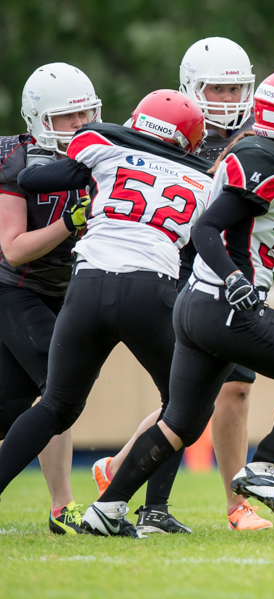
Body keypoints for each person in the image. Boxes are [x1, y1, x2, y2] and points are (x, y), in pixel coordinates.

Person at [80, 67, 274, 538]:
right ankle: (264, 468)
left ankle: (106, 509)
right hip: (226, 307)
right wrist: (235, 279)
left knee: (180, 423)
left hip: (200, 304)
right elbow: (206, 229)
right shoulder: (266, 161)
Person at [0, 89, 211, 535]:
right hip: (149, 292)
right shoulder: (204, 178)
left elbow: (33, 180)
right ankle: (125, 507)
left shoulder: (107, 148)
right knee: (183, 404)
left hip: (87, 285)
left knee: (55, 405)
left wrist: (102, 154)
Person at [91, 37, 273, 532]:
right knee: (195, 395)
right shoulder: (167, 127)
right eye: (217, 88)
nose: (229, 99)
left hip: (231, 275)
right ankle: (211, 505)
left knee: (228, 390)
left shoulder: (258, 136)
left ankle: (129, 475)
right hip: (179, 273)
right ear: (191, 87)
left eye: (236, 88)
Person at [0, 63, 101, 534]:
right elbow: (14, 250)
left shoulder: (103, 156)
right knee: (60, 387)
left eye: (86, 113)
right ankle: (63, 506)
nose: (80, 125)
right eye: (67, 116)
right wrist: (69, 222)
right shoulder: (16, 161)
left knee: (10, 407)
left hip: (63, 291)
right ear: (39, 119)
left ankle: (61, 507)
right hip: (15, 289)